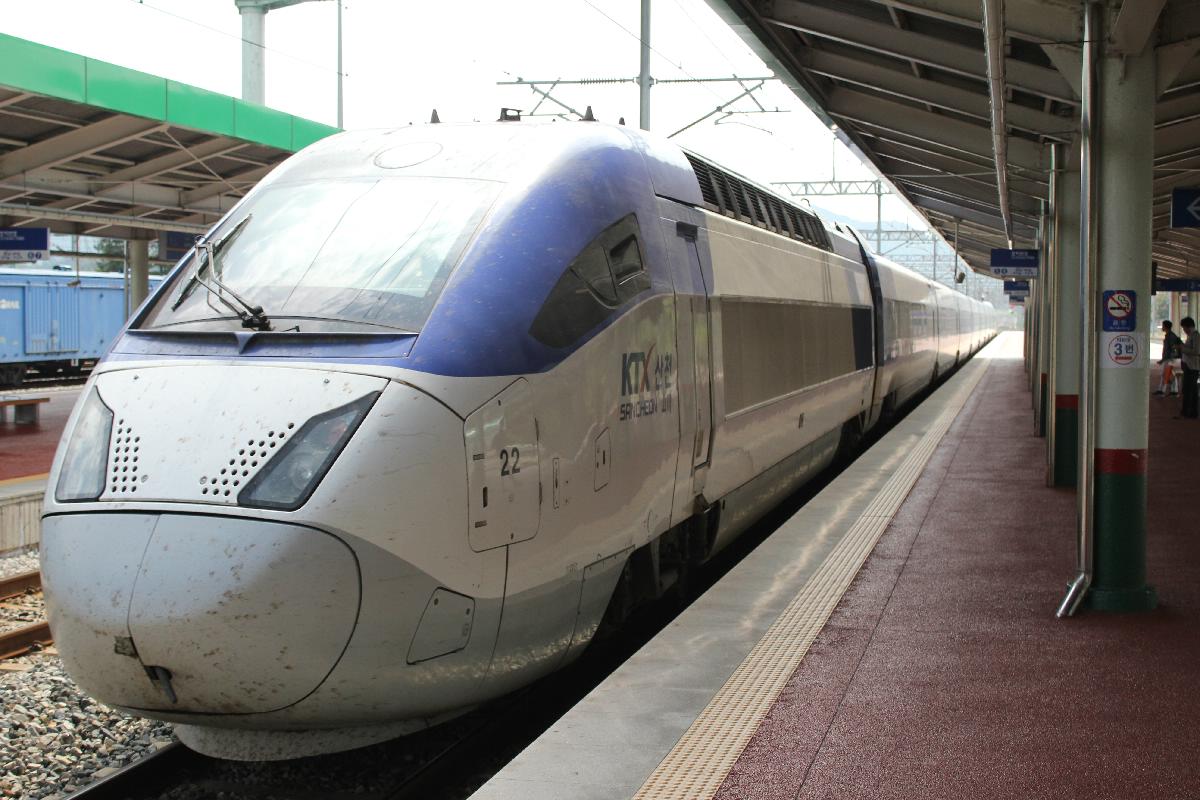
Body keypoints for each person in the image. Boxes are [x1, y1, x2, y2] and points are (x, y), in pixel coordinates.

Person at [1156, 320, 1183, 396]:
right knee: (1171, 374)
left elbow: (1171, 348)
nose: (1162, 327)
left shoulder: (1170, 336)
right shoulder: (1170, 335)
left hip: (1170, 358)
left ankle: (1163, 390)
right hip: (1170, 358)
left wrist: (1164, 359)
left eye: (1163, 325)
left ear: (1166, 326)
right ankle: (1172, 390)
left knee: (1165, 374)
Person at [1180, 316, 1199, 419]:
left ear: (1188, 326)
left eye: (1184, 328)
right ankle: (1191, 412)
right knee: (1191, 390)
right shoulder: (1191, 335)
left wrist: (1182, 349)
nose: (1184, 330)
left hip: (1192, 367)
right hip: (1189, 365)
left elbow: (1196, 351)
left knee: (1189, 390)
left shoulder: (1195, 336)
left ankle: (1188, 412)